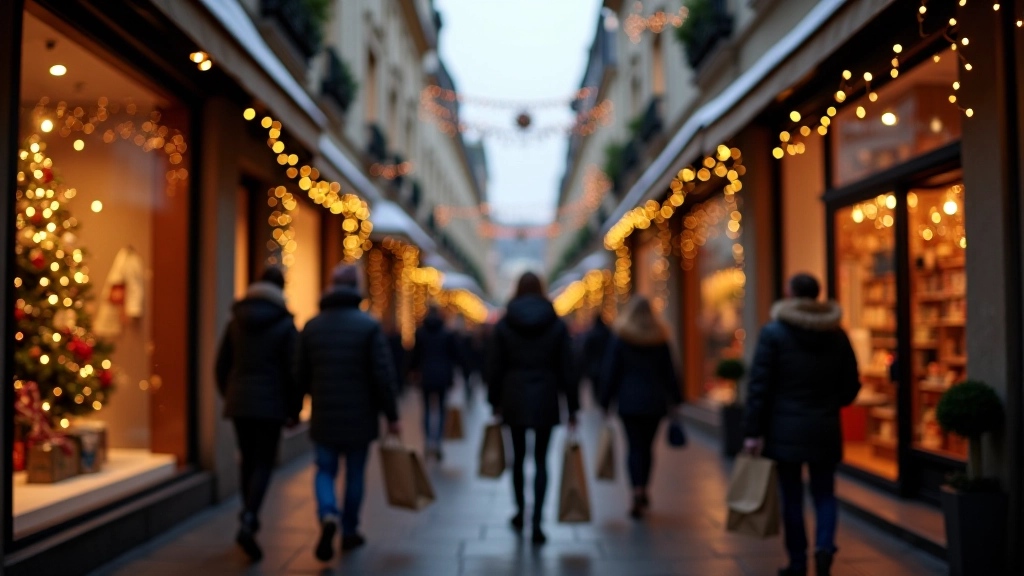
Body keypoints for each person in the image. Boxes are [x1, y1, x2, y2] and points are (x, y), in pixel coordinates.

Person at [742, 274, 861, 576]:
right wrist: (831, 404)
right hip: (824, 426)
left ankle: (797, 561)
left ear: (790, 294)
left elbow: (759, 386)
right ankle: (824, 547)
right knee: (825, 493)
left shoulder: (774, 333)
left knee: (791, 495)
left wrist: (753, 431)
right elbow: (851, 385)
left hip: (784, 429)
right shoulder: (836, 334)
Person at [295, 263, 401, 562]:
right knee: (355, 473)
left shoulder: (312, 326)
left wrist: (293, 410)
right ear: (356, 287)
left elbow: (299, 374)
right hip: (360, 416)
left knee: (324, 470)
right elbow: (382, 375)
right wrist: (392, 416)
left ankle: (328, 512)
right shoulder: (368, 326)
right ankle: (350, 529)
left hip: (324, 414)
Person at [487, 272, 579, 545]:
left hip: (513, 395)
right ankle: (537, 520)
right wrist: (572, 407)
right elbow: (568, 367)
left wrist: (494, 401)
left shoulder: (505, 323)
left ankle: (520, 511)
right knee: (541, 460)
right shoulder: (556, 324)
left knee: (517, 458)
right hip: (546, 395)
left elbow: (494, 365)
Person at [215, 267, 300, 562]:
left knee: (247, 460)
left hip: (240, 403)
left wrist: (231, 395)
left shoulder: (235, 321)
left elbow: (220, 366)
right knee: (264, 462)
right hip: (271, 405)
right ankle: (250, 518)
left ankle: (247, 515)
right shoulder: (285, 324)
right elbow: (294, 372)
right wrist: (294, 409)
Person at [599, 296, 681, 519]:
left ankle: (636, 490)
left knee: (634, 447)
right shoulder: (660, 338)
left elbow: (611, 371)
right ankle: (644, 487)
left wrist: (605, 401)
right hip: (654, 402)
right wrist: (676, 400)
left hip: (629, 402)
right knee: (647, 447)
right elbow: (670, 372)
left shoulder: (622, 337)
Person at [411, 306, 459, 459]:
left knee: (426, 410)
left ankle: (428, 440)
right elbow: (454, 357)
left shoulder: (421, 333)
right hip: (442, 376)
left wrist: (411, 372)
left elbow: (415, 355)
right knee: (441, 411)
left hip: (426, 375)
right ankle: (437, 441)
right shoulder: (447, 334)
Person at [582, 313, 612, 386]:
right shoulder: (607, 333)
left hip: (593, 366)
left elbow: (586, 351)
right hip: (604, 364)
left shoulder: (592, 334)